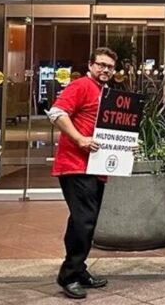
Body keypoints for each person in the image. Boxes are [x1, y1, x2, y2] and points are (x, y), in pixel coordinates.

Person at [46, 47, 116, 300]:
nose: (105, 69)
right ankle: (69, 275)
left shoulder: (103, 92)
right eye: (101, 65)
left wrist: (126, 145)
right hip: (75, 165)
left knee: (83, 220)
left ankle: (79, 269)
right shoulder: (81, 85)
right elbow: (56, 113)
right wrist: (79, 139)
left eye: (110, 66)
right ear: (91, 64)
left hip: (95, 167)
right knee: (84, 220)